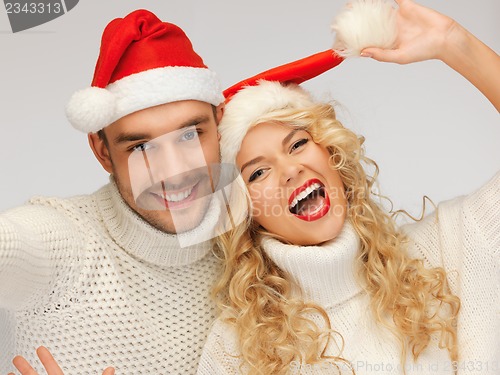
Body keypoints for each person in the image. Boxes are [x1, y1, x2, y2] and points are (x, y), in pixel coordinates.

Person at [195, 0, 499, 374]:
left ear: (332, 155)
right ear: (246, 212)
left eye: (297, 144)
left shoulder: (445, 250)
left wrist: (454, 43)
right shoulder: (237, 348)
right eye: (258, 173)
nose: (290, 170)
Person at [0, 8, 230, 375]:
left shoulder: (250, 247)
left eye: (190, 135)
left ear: (220, 124)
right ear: (103, 151)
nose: (174, 173)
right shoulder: (67, 246)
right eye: (140, 147)